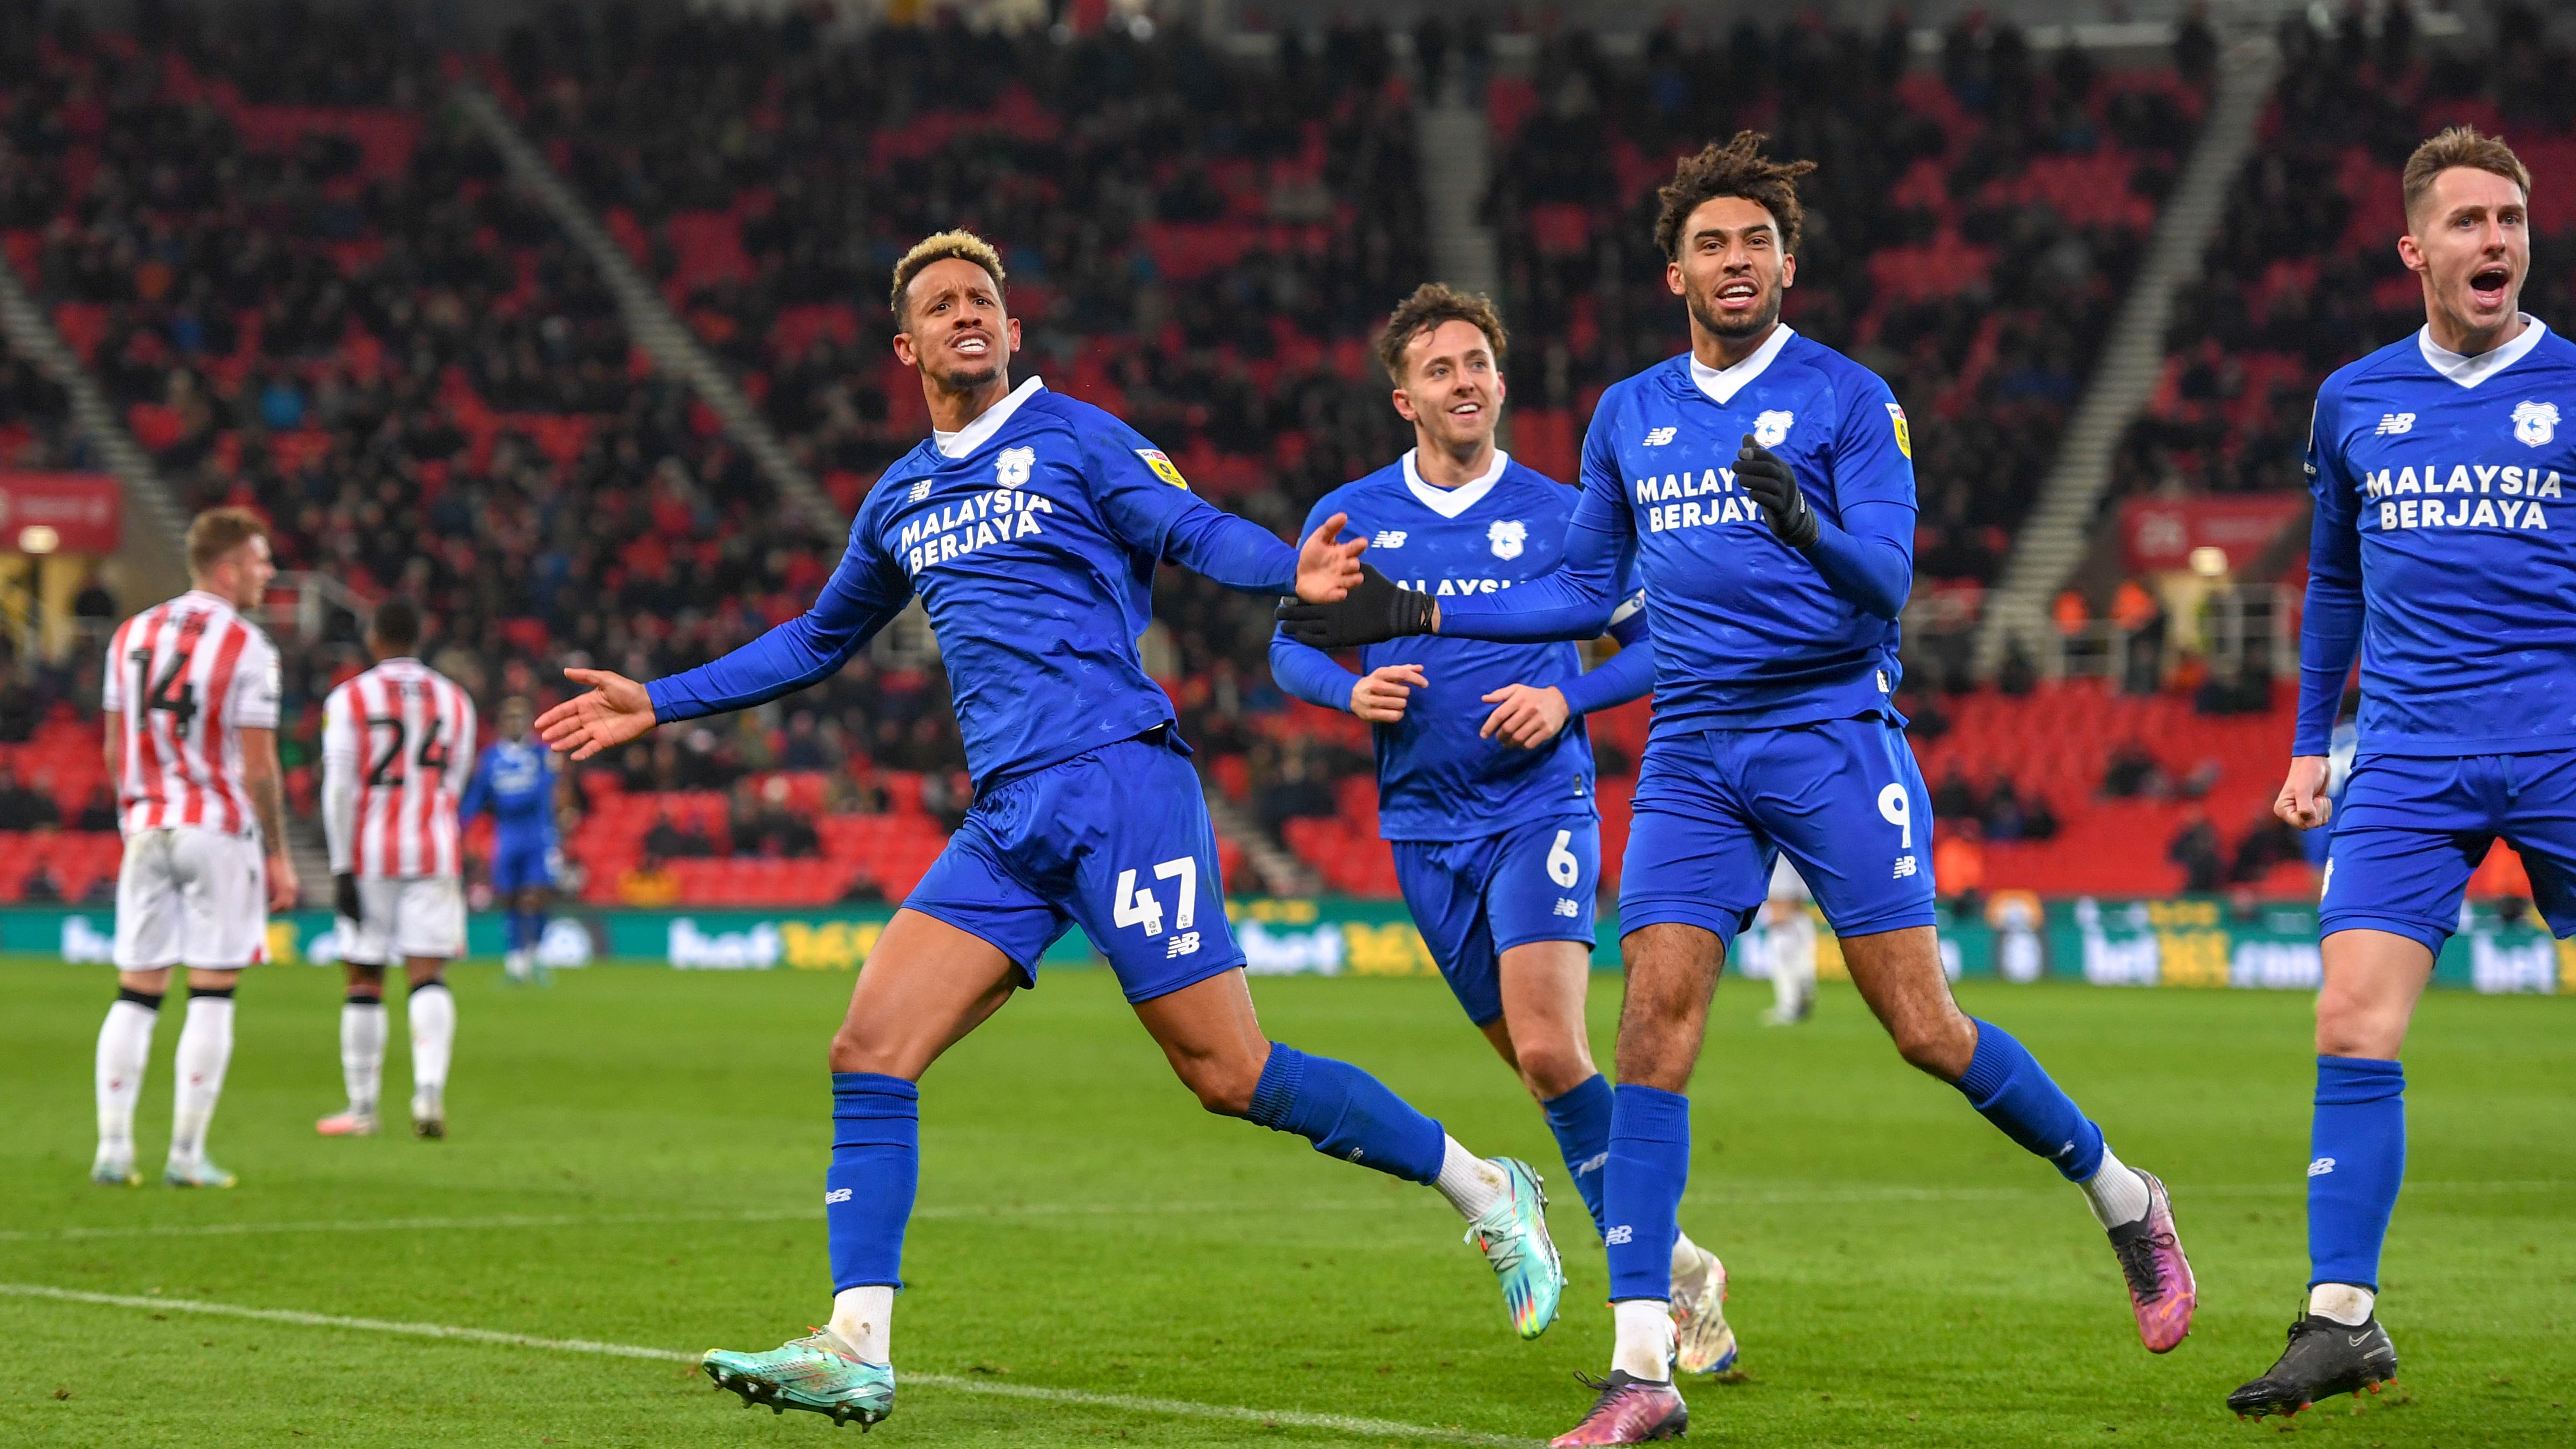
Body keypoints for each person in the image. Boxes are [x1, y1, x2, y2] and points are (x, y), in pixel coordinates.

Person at [534, 231, 1564, 1431]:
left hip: (1121, 785)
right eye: (940, 304)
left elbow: (1191, 531)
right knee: (867, 1050)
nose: (966, 314)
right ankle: (857, 1342)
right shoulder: (898, 497)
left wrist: (1297, 573)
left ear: (1011, 329)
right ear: (905, 344)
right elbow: (819, 638)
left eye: (984, 299)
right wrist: (659, 700)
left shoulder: (1073, 437)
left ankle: (1485, 1188)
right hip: (1010, 814)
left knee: (1229, 1075)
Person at [1280, 133, 2195, 1445]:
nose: (1735, 262)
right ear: (1676, 273)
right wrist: (1422, 605)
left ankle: (2122, 1195)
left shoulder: (1846, 398)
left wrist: (1804, 523)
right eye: (1711, 244)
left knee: (1926, 1028)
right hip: (1692, 749)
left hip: (1830, 728)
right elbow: (1589, 596)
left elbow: (1889, 582)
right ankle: (1643, 1363)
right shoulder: (1629, 416)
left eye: (1755, 243)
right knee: (1651, 1034)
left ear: (1785, 265)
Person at [1269, 284, 1741, 1373]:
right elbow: (1290, 645)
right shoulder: (1351, 518)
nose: (1465, 381)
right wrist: (1344, 693)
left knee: (1544, 1044)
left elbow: (1654, 646)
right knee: (1549, 1072)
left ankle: (1648, 1304)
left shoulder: (1559, 514)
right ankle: (1675, 1269)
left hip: (1538, 807)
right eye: (1441, 369)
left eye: (1478, 362)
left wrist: (1564, 701)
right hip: (1420, 826)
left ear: (1498, 380)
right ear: (1404, 398)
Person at [2232, 126, 2576, 1420]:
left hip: (2561, 744)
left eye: (2512, 220)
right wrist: (2312, 742)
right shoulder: (2354, 399)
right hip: (2412, 759)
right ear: (2414, 248)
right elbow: (2332, 585)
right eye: (2470, 221)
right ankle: (2341, 1320)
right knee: (2350, 1024)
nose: (2496, 240)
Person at [93, 506, 298, 1189]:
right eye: (261, 560)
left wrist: (135, 811)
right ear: (228, 566)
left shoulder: (130, 634)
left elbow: (117, 745)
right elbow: (261, 767)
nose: (268, 572)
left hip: (147, 824)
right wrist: (276, 852)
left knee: (136, 991)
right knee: (212, 994)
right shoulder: (249, 647)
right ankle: (185, 1155)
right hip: (215, 827)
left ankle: (115, 1150)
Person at [314, 598, 477, 1141]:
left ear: (375, 640)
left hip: (369, 855)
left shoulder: (349, 698)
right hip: (433, 848)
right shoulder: (456, 701)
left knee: (364, 975)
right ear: (420, 638)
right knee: (427, 975)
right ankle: (429, 1093)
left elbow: (339, 787)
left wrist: (340, 867)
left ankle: (362, 1110)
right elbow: (455, 783)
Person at [460, 695, 567, 985]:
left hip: (537, 835)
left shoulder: (541, 754)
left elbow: (547, 794)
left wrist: (554, 832)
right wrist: (459, 825)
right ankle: (516, 962)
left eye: (521, 717)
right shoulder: (491, 758)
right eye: (510, 717)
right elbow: (476, 798)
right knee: (509, 898)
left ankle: (537, 956)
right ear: (502, 723)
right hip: (507, 836)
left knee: (535, 896)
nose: (515, 722)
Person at [1755, 857, 1815, 1027]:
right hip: (1802, 847)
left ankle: (1789, 1002)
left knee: (1779, 918)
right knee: (1797, 911)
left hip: (1778, 847)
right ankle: (1805, 976)